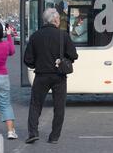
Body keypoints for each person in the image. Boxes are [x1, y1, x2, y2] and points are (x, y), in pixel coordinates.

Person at [24, 8, 78, 144]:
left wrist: (38, 63)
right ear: (55, 20)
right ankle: (54, 136)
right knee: (59, 107)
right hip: (59, 76)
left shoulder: (35, 36)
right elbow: (73, 55)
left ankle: (33, 133)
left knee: (36, 104)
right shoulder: (63, 35)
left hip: (41, 75)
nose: (59, 21)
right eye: (59, 19)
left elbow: (28, 60)